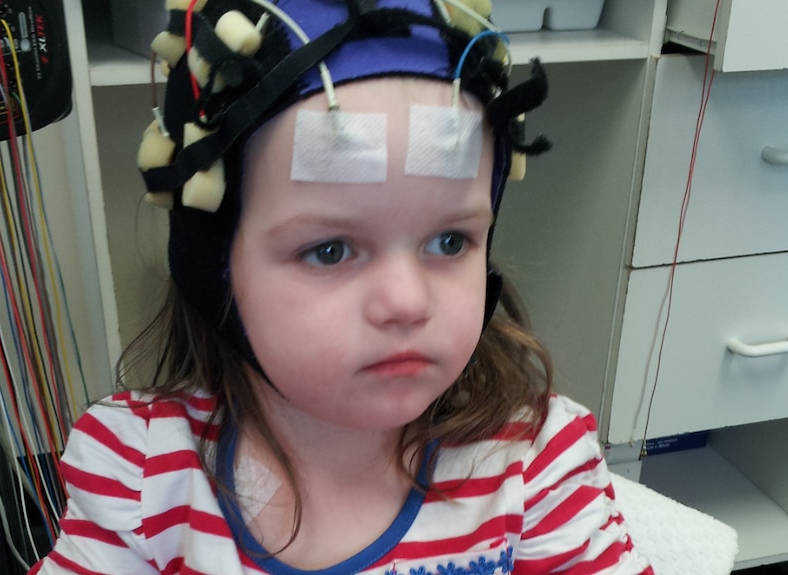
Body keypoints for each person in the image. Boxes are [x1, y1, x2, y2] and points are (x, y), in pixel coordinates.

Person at [32, 0, 652, 573]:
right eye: (329, 251)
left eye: (450, 241)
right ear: (213, 266)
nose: (407, 302)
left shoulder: (535, 465)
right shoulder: (143, 475)